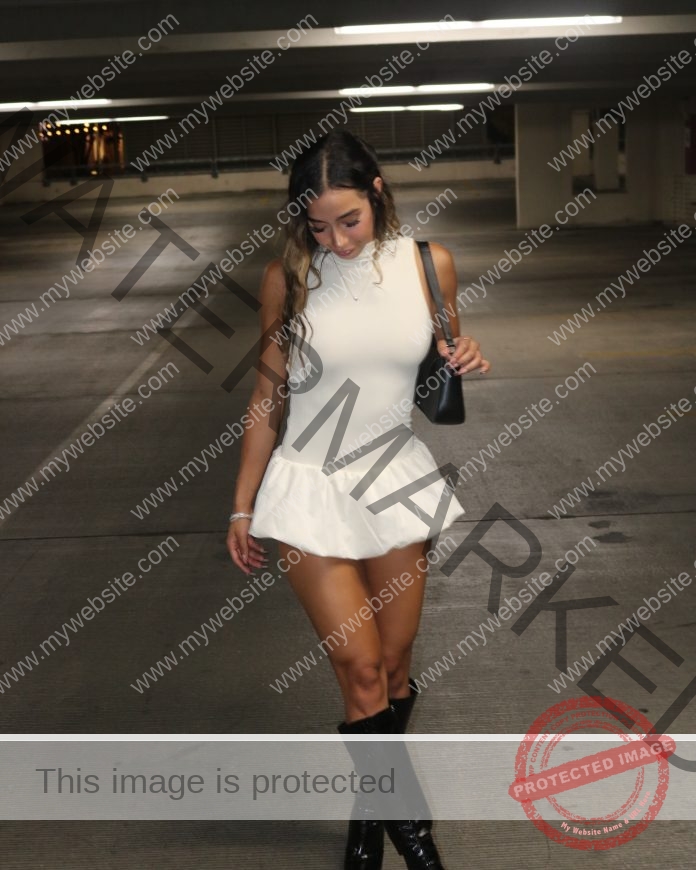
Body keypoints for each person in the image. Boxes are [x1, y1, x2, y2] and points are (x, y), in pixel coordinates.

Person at [227, 129, 490, 869]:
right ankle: (413, 834)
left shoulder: (428, 265)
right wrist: (243, 506)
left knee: (396, 667)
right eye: (316, 226)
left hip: (395, 481)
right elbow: (265, 398)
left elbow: (440, 359)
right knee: (361, 669)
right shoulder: (288, 279)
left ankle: (363, 825)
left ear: (378, 194)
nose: (335, 240)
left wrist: (463, 352)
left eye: (349, 221)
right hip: (308, 490)